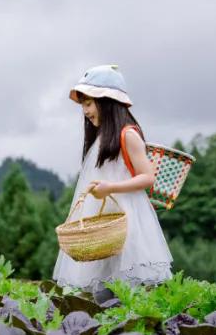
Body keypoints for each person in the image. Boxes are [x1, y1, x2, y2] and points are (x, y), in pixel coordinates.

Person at [52, 64, 172, 294]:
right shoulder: (101, 138)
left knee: (123, 288)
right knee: (102, 289)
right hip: (104, 222)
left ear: (107, 101)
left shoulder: (127, 135)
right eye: (83, 105)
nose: (85, 111)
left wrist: (110, 188)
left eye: (88, 103)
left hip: (126, 221)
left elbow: (148, 178)